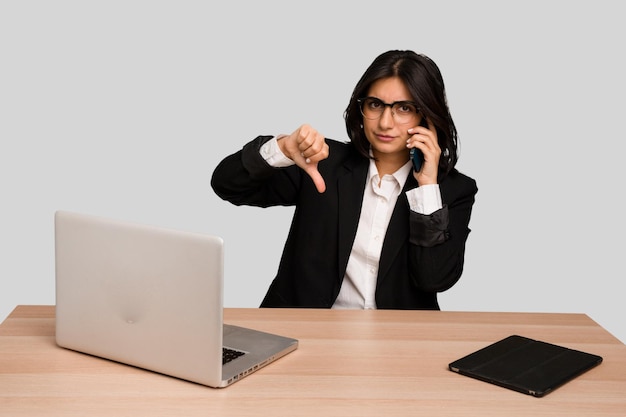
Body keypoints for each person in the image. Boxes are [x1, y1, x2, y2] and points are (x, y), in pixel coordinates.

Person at [211, 50, 477, 310]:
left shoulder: (453, 190)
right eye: (375, 104)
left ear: (426, 116)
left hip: (397, 341)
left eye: (404, 108)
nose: (385, 122)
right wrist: (281, 148)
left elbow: (434, 279)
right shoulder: (322, 161)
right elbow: (227, 184)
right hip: (304, 331)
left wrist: (427, 188)